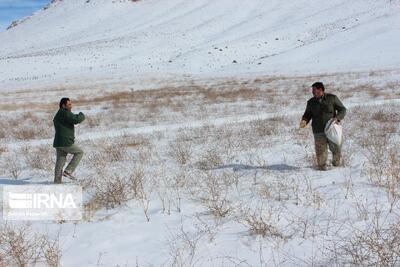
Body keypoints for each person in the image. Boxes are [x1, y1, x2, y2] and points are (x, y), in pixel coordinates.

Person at [300, 82, 346, 170]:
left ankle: (336, 167)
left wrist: (337, 118)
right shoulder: (311, 102)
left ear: (320, 90)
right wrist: (304, 121)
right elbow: (307, 114)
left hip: (331, 128)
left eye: (314, 90)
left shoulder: (332, 98)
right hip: (318, 129)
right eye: (312, 90)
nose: (312, 92)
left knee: (336, 148)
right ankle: (321, 168)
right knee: (320, 150)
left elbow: (342, 109)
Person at [53, 98, 85, 183]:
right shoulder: (64, 112)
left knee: (60, 162)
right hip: (65, 141)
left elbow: (71, 119)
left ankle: (57, 182)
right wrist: (82, 114)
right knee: (79, 152)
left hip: (59, 142)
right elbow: (76, 119)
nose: (71, 106)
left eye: (71, 104)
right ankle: (68, 171)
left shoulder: (60, 113)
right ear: (63, 105)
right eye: (69, 104)